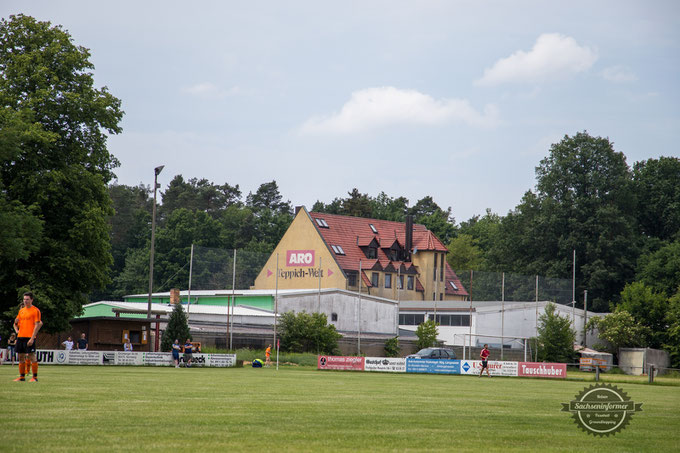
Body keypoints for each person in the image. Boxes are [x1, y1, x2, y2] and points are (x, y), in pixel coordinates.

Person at [13, 292, 43, 382]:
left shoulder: (35, 310)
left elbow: (38, 325)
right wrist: (16, 326)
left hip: (29, 336)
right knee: (21, 356)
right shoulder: (21, 311)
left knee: (32, 356)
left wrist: (32, 338)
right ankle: (22, 377)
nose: (25, 301)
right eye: (24, 299)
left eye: (27, 299)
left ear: (32, 300)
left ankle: (35, 377)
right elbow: (17, 323)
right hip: (21, 336)